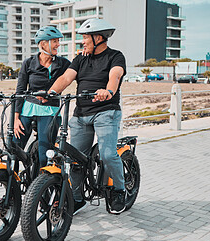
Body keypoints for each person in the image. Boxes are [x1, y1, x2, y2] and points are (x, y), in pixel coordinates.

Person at [46, 18, 127, 214]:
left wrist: (108, 91)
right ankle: (76, 198)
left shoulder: (115, 57)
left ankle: (119, 191)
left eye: (85, 38)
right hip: (81, 114)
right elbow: (66, 78)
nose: (82, 42)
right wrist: (50, 92)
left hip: (106, 112)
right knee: (75, 159)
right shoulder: (80, 58)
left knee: (108, 154)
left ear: (98, 38)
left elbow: (114, 76)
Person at [14, 26, 71, 168]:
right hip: (27, 111)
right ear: (43, 43)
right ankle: (12, 184)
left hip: (50, 111)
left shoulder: (63, 63)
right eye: (55, 41)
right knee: (14, 149)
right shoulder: (28, 63)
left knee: (44, 155)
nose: (58, 44)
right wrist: (15, 119)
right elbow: (20, 90)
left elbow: (77, 72)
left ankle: (41, 187)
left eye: (58, 41)